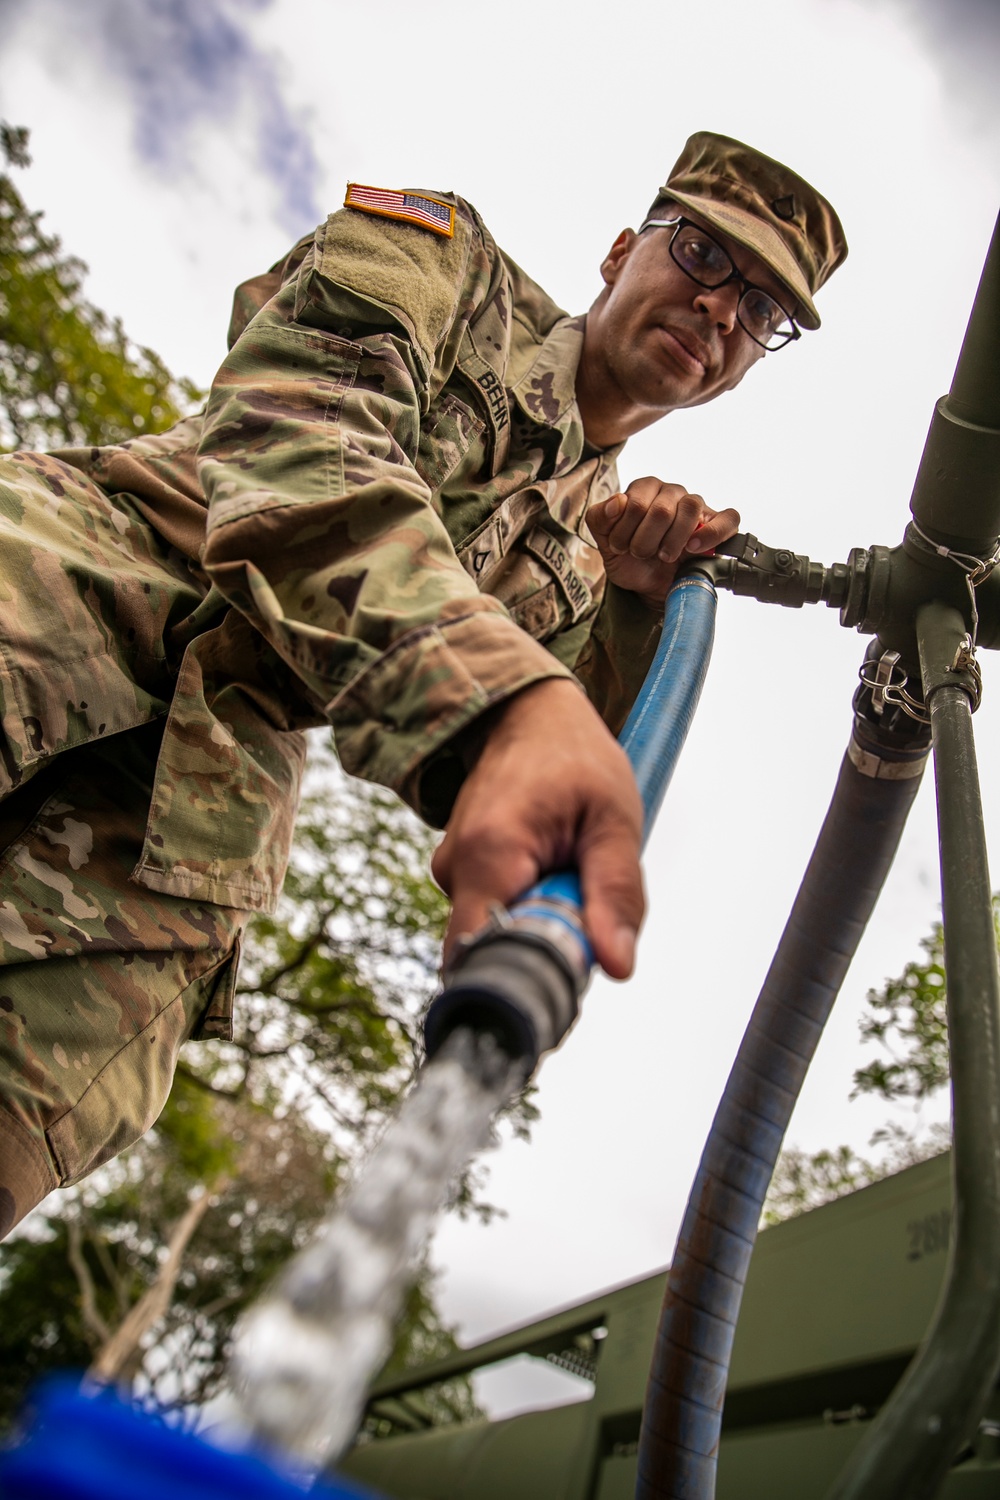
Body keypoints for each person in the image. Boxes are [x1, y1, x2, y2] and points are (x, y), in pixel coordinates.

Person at [0, 132, 847, 1237]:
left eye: (764, 312)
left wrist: (632, 609)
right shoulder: (442, 263)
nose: (721, 311)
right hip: (69, 577)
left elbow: (530, 788)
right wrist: (505, 697)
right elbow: (299, 438)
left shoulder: (596, 557)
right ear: (616, 253)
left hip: (199, 804)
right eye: (701, 254)